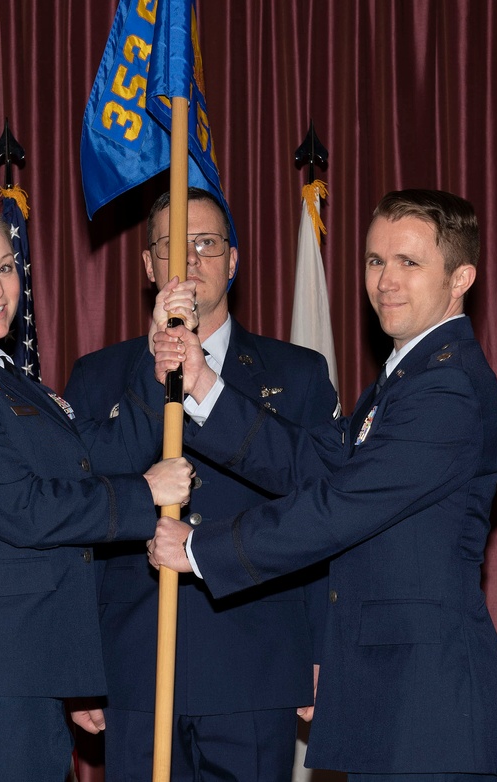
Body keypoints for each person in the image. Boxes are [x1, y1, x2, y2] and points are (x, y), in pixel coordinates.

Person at [149, 189, 497, 781]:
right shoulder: (403, 381)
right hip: (390, 701)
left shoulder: (446, 390)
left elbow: (342, 505)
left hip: (431, 714)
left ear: (461, 278)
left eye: (409, 263)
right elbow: (321, 467)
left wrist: (201, 549)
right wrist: (203, 385)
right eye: (376, 261)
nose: (386, 282)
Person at [0, 200, 194, 781]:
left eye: (6, 267)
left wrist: (157, 352)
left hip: (23, 672)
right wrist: (142, 494)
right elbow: (23, 510)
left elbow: (95, 453)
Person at [64, 188, 339, 781]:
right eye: (169, 247)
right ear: (148, 267)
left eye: (205, 244)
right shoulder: (97, 376)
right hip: (134, 669)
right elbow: (77, 526)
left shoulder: (297, 375)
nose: (187, 262)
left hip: (255, 661)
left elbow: (322, 517)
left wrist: (322, 650)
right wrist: (76, 661)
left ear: (233, 261)